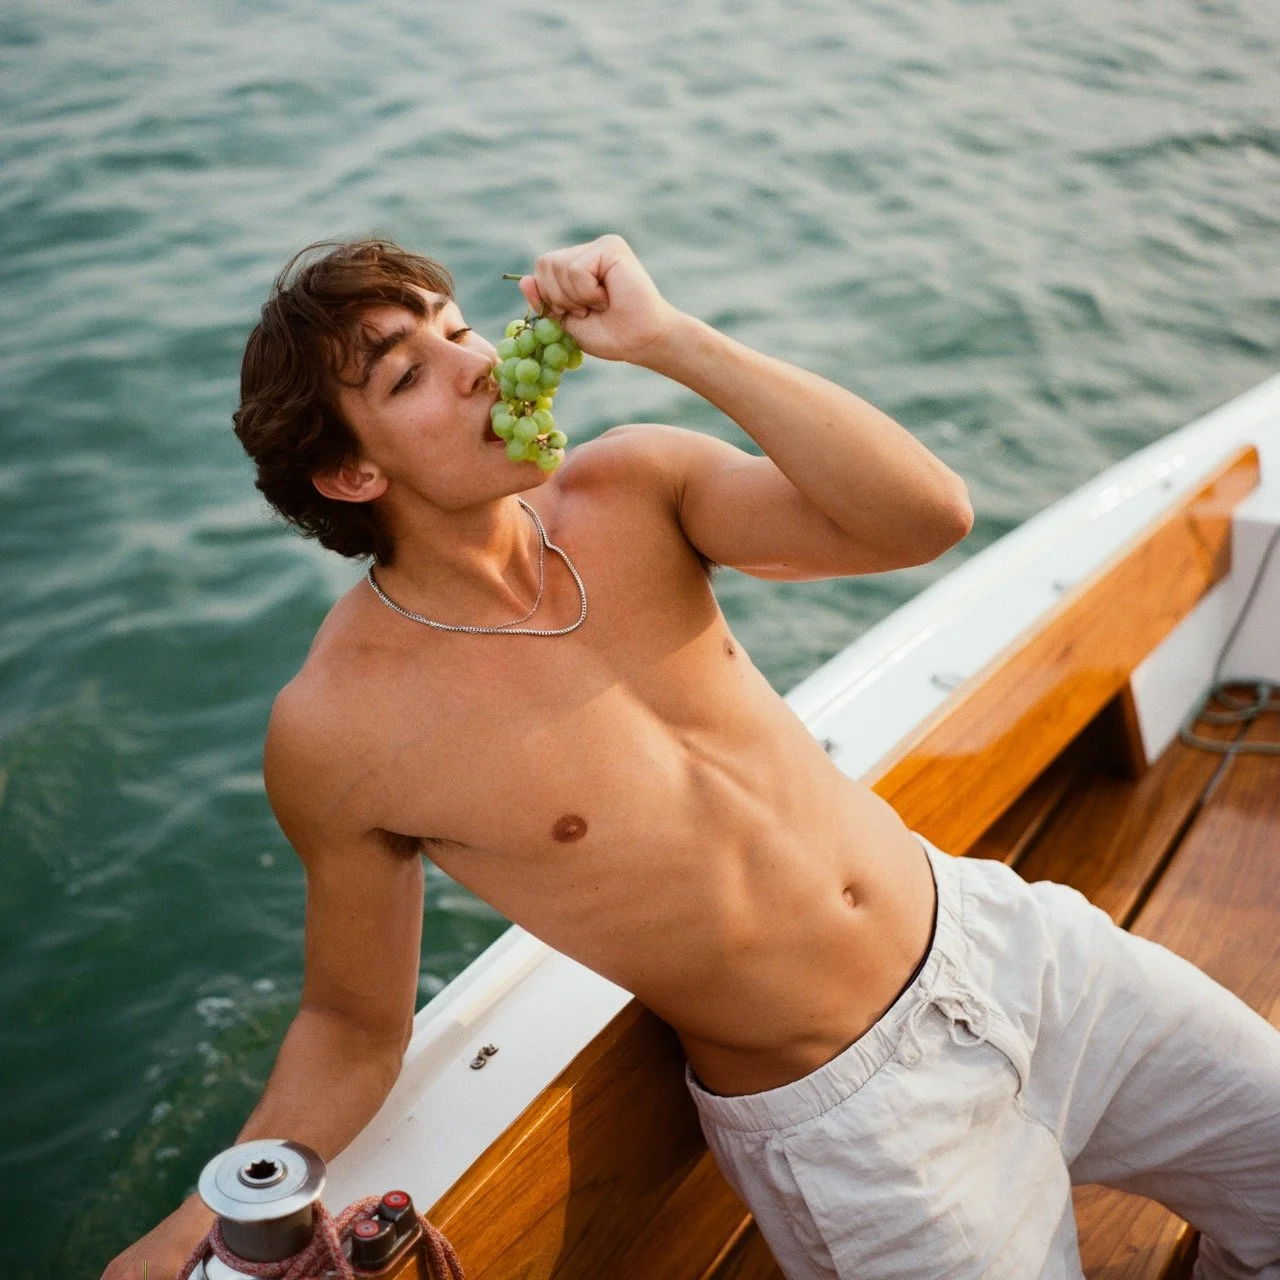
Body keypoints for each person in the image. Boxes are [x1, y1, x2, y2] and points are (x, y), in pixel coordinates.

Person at [102, 236, 1280, 1280]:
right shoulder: (339, 726)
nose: (473, 364)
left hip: (1004, 941)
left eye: (458, 328)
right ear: (353, 475)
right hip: (858, 1122)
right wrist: (202, 1212)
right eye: (409, 374)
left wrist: (670, 338)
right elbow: (352, 1023)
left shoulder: (629, 485)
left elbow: (923, 516)